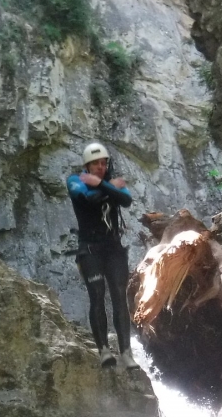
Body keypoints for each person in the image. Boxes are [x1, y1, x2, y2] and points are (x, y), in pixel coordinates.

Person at [67, 141, 139, 370]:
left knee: (119, 296)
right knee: (97, 295)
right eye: (95, 164)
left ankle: (126, 353)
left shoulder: (106, 180)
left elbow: (126, 200)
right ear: (87, 165)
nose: (100, 166)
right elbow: (88, 199)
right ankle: (104, 351)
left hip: (113, 248)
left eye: (103, 163)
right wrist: (109, 188)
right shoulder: (75, 180)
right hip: (89, 249)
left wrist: (100, 184)